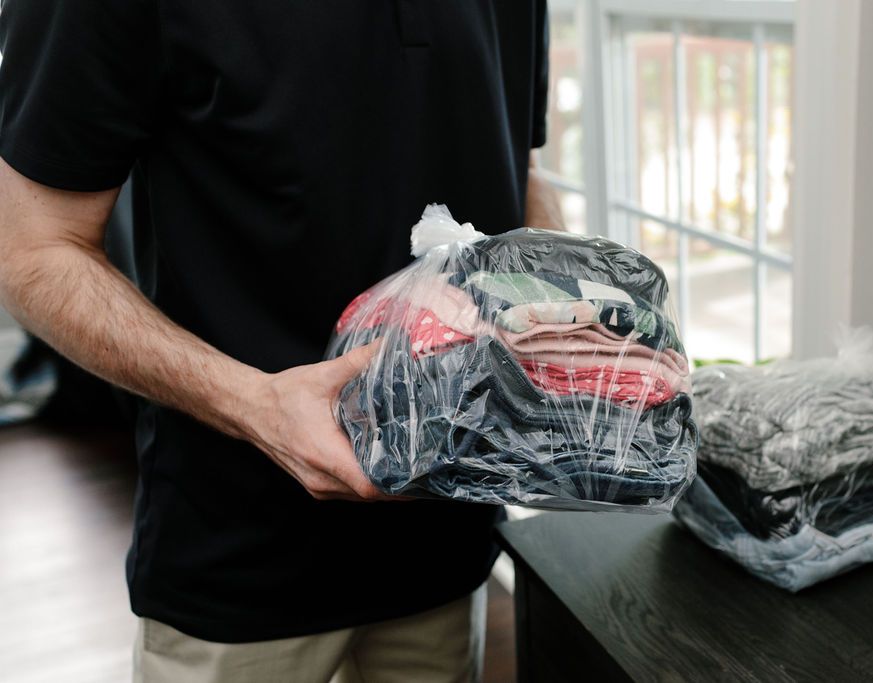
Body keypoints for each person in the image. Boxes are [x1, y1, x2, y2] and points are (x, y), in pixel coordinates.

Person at [0, 1, 563, 681]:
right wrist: (257, 405)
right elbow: (32, 247)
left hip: (448, 538)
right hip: (238, 560)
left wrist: (571, 327)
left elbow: (518, 169)